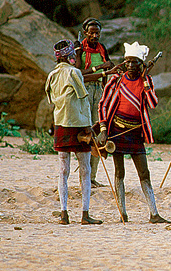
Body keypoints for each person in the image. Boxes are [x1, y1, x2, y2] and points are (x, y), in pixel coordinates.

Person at [97, 42, 169, 224]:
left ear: (141, 65)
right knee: (119, 172)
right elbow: (103, 105)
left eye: (134, 62)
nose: (130, 66)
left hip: (136, 132)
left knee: (144, 173)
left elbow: (153, 103)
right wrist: (104, 129)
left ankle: (154, 214)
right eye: (127, 61)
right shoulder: (116, 81)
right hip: (116, 130)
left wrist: (145, 81)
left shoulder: (147, 82)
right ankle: (123, 213)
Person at [45, 39, 103, 225]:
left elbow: (51, 101)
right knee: (85, 170)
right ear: (70, 57)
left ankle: (64, 214)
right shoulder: (74, 72)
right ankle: (85, 214)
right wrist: (89, 127)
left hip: (60, 123)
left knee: (63, 170)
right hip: (78, 124)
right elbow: (83, 99)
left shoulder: (52, 75)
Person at [74, 18, 115, 188]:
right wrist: (99, 69)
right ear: (85, 33)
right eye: (91, 32)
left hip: (100, 91)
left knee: (100, 132)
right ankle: (85, 177)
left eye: (97, 33)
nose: (95, 35)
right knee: (87, 131)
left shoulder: (102, 48)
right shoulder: (79, 49)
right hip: (85, 91)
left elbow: (109, 69)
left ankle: (93, 177)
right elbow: (78, 74)